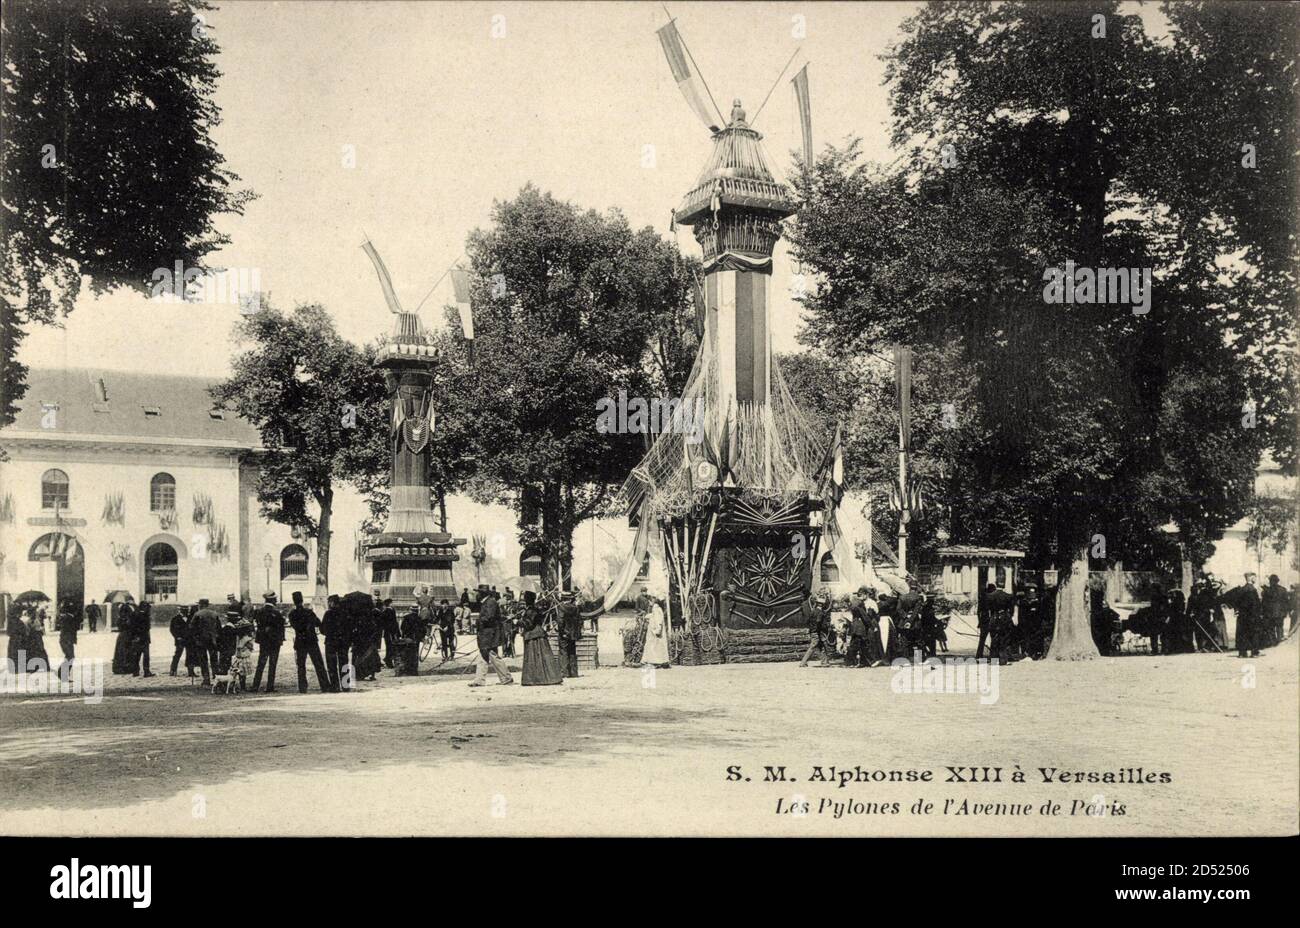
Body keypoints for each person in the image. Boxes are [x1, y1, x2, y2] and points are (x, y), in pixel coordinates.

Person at [470, 589, 513, 686]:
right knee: (484, 655)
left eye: (478, 593)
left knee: (491, 655)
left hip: (490, 634)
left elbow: (489, 617)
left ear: (482, 593)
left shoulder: (490, 602)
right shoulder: (487, 602)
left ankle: (506, 677)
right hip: (487, 634)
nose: (476, 595)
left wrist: (477, 621)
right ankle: (480, 680)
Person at [520, 590, 564, 685]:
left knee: (535, 658)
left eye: (525, 598)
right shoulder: (532, 609)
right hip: (537, 635)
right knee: (541, 658)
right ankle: (545, 678)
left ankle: (537, 679)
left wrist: (518, 622)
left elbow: (529, 624)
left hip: (534, 635)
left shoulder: (531, 610)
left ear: (527, 599)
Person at [1222, 573, 1263, 658]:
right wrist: (1259, 613)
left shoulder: (1241, 589)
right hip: (1252, 615)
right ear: (1251, 578)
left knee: (1242, 634)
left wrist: (1236, 610)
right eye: (1254, 578)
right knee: (1254, 633)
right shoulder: (1252, 590)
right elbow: (1255, 604)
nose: (1255, 579)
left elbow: (1234, 601)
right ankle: (1254, 652)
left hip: (1242, 615)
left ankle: (1242, 653)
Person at [252, 592, 285, 692]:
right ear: (271, 600)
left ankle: (255, 686)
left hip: (264, 641)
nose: (276, 600)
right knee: (272, 664)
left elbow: (258, 624)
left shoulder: (259, 611)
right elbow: (281, 627)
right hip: (274, 642)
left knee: (261, 663)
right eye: (274, 599)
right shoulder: (277, 613)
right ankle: (270, 686)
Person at [187, 599, 222, 686]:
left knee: (203, 660)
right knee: (214, 660)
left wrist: (194, 638)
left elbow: (191, 627)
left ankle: (206, 679)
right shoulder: (214, 614)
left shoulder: (197, 614)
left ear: (201, 605)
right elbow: (219, 627)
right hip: (213, 640)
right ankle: (216, 678)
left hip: (201, 641)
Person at [321, 595, 350, 692]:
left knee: (332, 665)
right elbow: (349, 628)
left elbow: (322, 629)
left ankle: (335, 686)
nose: (328, 604)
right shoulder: (345, 613)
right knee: (344, 663)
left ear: (332, 602)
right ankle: (346, 685)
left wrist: (329, 632)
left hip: (331, 642)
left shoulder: (328, 614)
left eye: (329, 602)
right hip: (343, 642)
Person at [799, 592, 835, 667]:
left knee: (820, 646)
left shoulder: (813, 611)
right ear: (822, 604)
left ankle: (824, 662)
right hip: (817, 632)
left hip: (813, 631)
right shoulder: (820, 613)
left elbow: (808, 620)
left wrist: (812, 628)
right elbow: (818, 622)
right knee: (813, 647)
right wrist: (821, 629)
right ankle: (803, 662)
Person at [1186, 577, 1221, 652]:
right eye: (1199, 585)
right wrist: (1189, 613)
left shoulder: (1207, 593)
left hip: (1206, 615)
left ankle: (1209, 646)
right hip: (1198, 616)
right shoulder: (1192, 596)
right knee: (1198, 632)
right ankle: (1201, 647)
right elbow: (1190, 606)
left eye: (1202, 585)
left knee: (1211, 630)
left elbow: (1212, 602)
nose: (1200, 587)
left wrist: (1211, 609)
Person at [556, 591, 583, 678]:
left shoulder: (562, 608)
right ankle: (574, 672)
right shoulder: (576, 608)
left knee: (563, 652)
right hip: (573, 634)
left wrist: (561, 631)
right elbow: (580, 621)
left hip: (564, 634)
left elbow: (560, 621)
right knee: (572, 652)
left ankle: (564, 672)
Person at [640, 595, 671, 668]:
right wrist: (649, 616)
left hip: (655, 631)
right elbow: (654, 616)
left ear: (652, 602)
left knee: (655, 646)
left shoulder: (656, 609)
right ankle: (658, 661)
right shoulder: (657, 609)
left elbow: (658, 620)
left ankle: (656, 662)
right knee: (655, 646)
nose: (649, 603)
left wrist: (657, 630)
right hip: (654, 631)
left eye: (649, 601)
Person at [1262, 575, 1290, 647]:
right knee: (1279, 627)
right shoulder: (1283, 589)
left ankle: (1273, 642)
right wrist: (1286, 612)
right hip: (1280, 613)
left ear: (1270, 581)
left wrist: (1263, 612)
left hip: (1269, 613)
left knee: (1271, 628)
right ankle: (1279, 642)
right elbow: (1286, 602)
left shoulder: (1267, 590)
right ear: (1278, 581)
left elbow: (1264, 603)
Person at [56, 600, 78, 681]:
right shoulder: (68, 618)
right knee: (70, 657)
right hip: (67, 640)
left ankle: (63, 674)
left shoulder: (64, 617)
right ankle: (62, 674)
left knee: (69, 657)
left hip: (65, 640)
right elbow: (71, 630)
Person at [131, 602, 155, 677]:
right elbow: (146, 627)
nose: (149, 609)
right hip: (143, 638)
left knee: (136, 655)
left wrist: (135, 636)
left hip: (137, 638)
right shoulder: (144, 615)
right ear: (144, 607)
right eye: (148, 607)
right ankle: (146, 671)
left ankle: (135, 671)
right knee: (146, 656)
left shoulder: (135, 614)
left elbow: (132, 627)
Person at [169, 605, 192, 676]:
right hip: (180, 640)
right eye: (183, 610)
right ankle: (173, 670)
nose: (185, 611)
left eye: (186, 610)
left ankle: (191, 672)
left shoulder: (191, 618)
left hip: (189, 640)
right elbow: (172, 630)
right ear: (180, 610)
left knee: (190, 655)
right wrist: (177, 637)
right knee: (177, 655)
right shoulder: (175, 619)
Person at [378, 597, 400, 669]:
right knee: (391, 647)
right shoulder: (390, 610)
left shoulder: (386, 611)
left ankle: (388, 659)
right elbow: (394, 622)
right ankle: (388, 661)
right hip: (391, 632)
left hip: (388, 632)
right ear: (389, 603)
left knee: (390, 646)